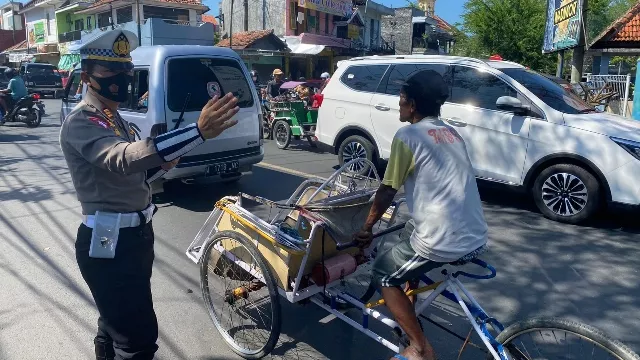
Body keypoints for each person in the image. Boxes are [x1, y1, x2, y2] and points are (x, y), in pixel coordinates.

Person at [59, 29, 239, 360]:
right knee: (136, 339)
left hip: (135, 237)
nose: (123, 79)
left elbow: (141, 174)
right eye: (111, 72)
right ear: (87, 76)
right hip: (109, 243)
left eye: (126, 72)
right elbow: (124, 159)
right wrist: (196, 131)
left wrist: (174, 154)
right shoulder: (82, 121)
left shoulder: (116, 120)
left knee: (114, 323)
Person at [352, 70, 488, 360]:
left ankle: (419, 347)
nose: (398, 104)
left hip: (442, 239)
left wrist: (367, 227)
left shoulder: (408, 135)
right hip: (475, 232)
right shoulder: (452, 133)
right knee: (408, 229)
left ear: (412, 104)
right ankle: (410, 304)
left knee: (383, 273)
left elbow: (388, 190)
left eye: (401, 100)